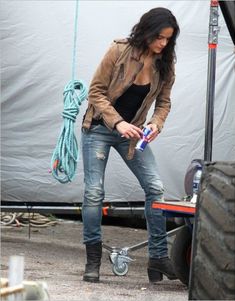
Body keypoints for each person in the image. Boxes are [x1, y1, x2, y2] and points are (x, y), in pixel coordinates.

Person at [81, 7, 180, 283]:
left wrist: (156, 124)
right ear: (146, 31)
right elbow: (95, 92)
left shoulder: (166, 63)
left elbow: (164, 102)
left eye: (168, 39)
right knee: (93, 192)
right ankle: (92, 261)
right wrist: (118, 123)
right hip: (99, 128)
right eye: (159, 37)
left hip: (134, 135)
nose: (163, 44)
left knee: (155, 188)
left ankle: (158, 258)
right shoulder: (118, 50)